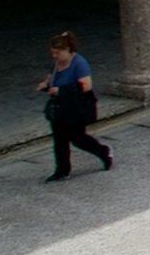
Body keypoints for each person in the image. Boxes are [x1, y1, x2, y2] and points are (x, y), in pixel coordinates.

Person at [37, 30, 113, 180]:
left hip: (76, 106)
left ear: (67, 50)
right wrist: (46, 85)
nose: (55, 56)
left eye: (57, 53)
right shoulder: (56, 64)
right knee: (59, 141)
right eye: (53, 53)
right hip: (60, 107)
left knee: (78, 138)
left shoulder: (79, 63)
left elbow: (86, 86)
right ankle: (62, 170)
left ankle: (103, 151)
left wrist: (61, 90)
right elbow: (51, 78)